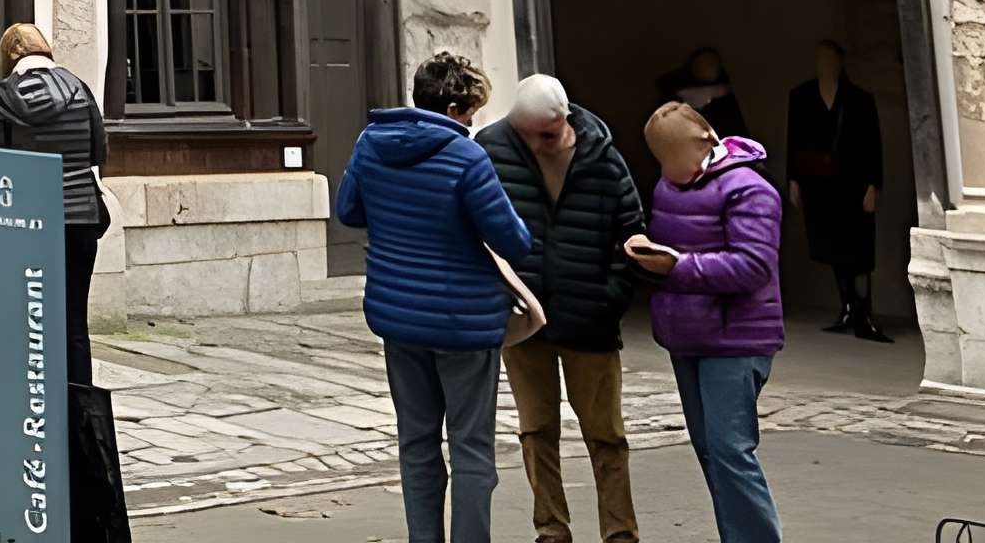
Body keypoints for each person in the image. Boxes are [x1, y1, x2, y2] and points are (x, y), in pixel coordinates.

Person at [333, 52, 538, 543]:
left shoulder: (370, 144)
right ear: (451, 109)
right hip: (463, 322)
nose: (472, 123)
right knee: (471, 449)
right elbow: (514, 242)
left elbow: (348, 212)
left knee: (417, 444)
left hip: (398, 318)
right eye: (469, 112)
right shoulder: (466, 156)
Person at [478, 74, 644, 543]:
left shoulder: (602, 157)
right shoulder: (492, 150)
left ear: (565, 119)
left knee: (606, 435)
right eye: (526, 135)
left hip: (590, 316)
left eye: (546, 135)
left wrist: (612, 296)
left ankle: (620, 533)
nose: (536, 144)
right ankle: (551, 530)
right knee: (536, 431)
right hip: (522, 319)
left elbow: (631, 231)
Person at [632, 100, 785, 543]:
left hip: (737, 338)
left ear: (705, 141)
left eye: (672, 156)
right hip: (687, 334)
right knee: (709, 451)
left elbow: (753, 266)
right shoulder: (668, 187)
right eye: (659, 159)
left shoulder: (750, 190)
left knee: (730, 450)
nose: (666, 168)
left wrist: (676, 266)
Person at [0, 19, 108, 385]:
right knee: (74, 319)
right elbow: (97, 152)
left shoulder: (2, 95)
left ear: (9, 55)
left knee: (30, 320)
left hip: (30, 220)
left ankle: (37, 404)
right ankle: (80, 406)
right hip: (81, 215)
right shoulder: (80, 89)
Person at [784, 40, 888, 340]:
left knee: (859, 248)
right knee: (830, 245)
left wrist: (873, 185)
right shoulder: (801, 96)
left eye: (830, 59)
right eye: (820, 59)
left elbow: (872, 143)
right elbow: (795, 139)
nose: (825, 64)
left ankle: (864, 312)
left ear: (841, 62)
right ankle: (847, 307)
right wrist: (794, 180)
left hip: (853, 184)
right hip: (818, 183)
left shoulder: (860, 99)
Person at [656, 46, 750, 141]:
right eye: (699, 64)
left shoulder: (728, 97)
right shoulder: (676, 95)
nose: (705, 67)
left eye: (710, 64)